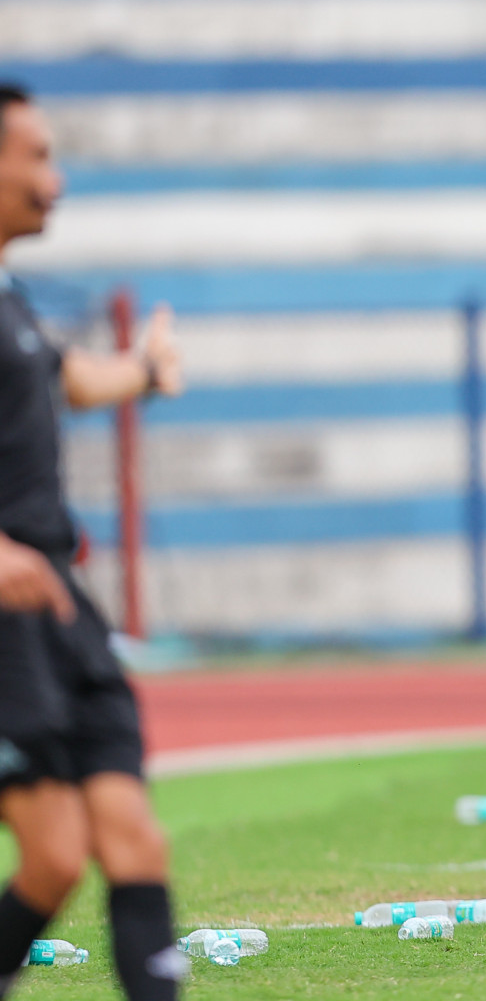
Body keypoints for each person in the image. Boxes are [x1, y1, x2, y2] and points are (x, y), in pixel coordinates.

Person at [0, 84, 186, 999]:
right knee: (52, 859)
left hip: (58, 605)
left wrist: (147, 371)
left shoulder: (10, 298)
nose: (55, 178)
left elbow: (65, 378)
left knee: (129, 840)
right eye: (34, 156)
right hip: (4, 615)